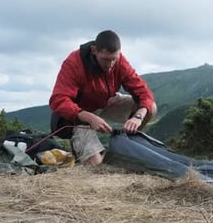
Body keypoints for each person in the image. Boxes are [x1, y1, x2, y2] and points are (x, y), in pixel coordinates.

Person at [49, 30, 157, 165]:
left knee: (150, 108)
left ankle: (127, 145)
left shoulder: (120, 61)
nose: (110, 65)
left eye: (114, 59)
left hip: (107, 101)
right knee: (96, 166)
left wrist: (138, 116)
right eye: (106, 60)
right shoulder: (74, 63)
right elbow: (58, 100)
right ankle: (82, 152)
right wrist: (88, 117)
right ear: (94, 50)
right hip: (80, 115)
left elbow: (144, 92)